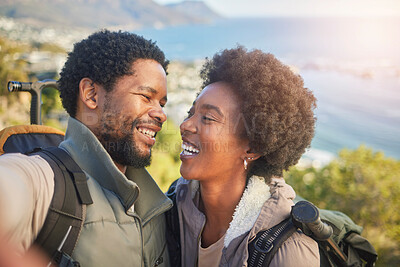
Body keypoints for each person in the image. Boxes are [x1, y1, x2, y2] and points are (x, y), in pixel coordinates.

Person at [0, 30, 172, 267]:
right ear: (91, 94)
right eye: (146, 96)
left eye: (162, 103)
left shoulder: (159, 204)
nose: (161, 114)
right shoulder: (44, 179)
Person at [167, 46, 320, 266]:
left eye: (207, 118)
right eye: (191, 113)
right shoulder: (171, 208)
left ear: (252, 148)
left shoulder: (289, 252)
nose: (185, 125)